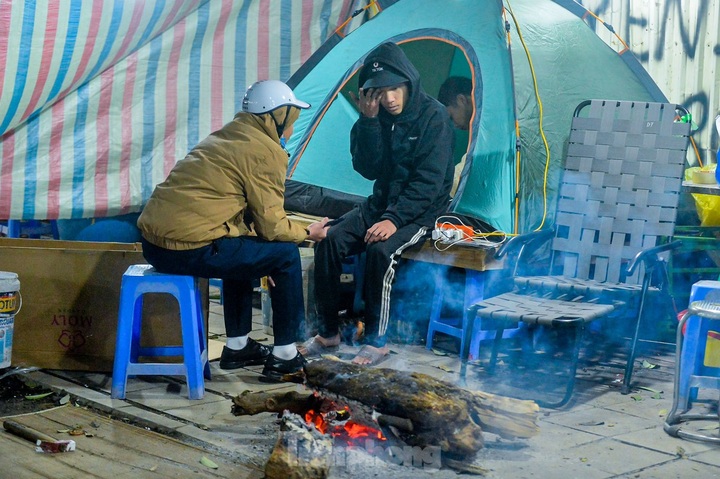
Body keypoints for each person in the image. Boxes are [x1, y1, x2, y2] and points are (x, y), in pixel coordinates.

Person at [137, 80, 328, 382]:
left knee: (240, 244)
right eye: (290, 117)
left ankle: (238, 346)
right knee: (286, 255)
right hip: (187, 248)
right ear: (275, 116)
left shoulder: (226, 137)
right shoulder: (264, 149)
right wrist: (308, 232)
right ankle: (285, 355)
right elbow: (272, 225)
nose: (292, 126)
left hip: (154, 245)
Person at [301, 42, 455, 365]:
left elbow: (428, 185)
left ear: (408, 82)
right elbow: (367, 168)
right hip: (381, 203)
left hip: (422, 213)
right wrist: (368, 122)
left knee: (379, 250)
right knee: (329, 242)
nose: (389, 99)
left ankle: (376, 340)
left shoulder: (435, 118)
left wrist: (395, 220)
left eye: (395, 89)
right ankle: (328, 333)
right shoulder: (378, 116)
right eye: (381, 92)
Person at [438, 76, 475, 196]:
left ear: (461, 100)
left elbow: (463, 176)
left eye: (451, 117)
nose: (453, 125)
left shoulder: (491, 122)